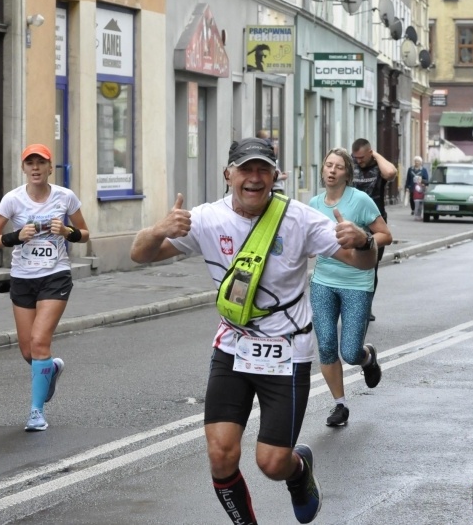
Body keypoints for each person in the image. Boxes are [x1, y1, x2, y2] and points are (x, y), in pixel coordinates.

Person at [130, 137, 377, 524]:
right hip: (234, 346)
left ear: (276, 176)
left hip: (287, 351)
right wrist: (157, 229)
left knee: (272, 462)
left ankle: (298, 470)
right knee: (220, 454)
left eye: (263, 170)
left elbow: (362, 263)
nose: (254, 178)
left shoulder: (300, 218)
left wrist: (364, 242)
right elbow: (140, 255)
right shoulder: (207, 218)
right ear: (229, 174)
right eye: (246, 169)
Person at [0, 143, 89, 432]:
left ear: (49, 167)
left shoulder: (65, 197)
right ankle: (51, 368)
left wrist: (68, 232)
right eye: (29, 163)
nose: (35, 168)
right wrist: (15, 236)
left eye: (40, 163)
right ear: (23, 168)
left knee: (40, 341)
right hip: (22, 277)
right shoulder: (12, 200)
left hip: (55, 274)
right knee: (29, 351)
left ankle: (35, 412)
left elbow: (85, 233)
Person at [309, 148, 391, 427]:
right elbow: (306, 239)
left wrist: (362, 238)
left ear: (347, 174)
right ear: (322, 170)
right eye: (328, 165)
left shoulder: (360, 200)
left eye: (338, 166)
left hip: (357, 283)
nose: (332, 170)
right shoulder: (313, 204)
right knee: (327, 347)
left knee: (350, 352)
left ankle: (367, 359)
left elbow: (385, 234)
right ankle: (339, 405)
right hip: (323, 282)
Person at [350, 138, 397, 322]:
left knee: (371, 267)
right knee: (349, 266)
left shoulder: (378, 166)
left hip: (375, 224)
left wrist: (376, 155)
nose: (359, 161)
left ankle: (366, 306)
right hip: (352, 222)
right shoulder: (350, 164)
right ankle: (351, 305)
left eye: (362, 157)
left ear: (370, 153)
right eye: (356, 157)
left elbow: (391, 172)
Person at [256, 129, 287, 193]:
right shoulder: (267, 161)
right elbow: (268, 176)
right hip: (274, 189)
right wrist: (282, 177)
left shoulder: (274, 160)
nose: (275, 146)